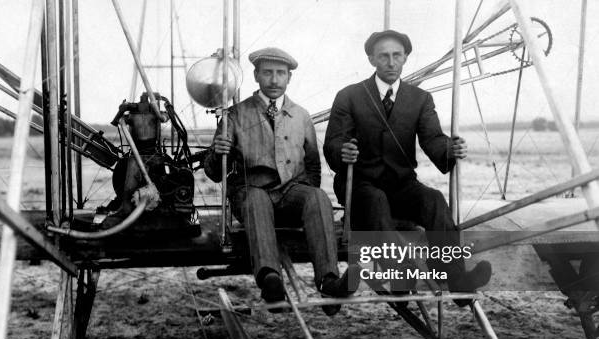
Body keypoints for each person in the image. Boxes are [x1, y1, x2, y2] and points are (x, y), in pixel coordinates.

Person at [323, 30, 491, 301]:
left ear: (405, 58)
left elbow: (433, 139)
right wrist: (343, 150)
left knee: (434, 199)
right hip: (360, 185)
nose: (391, 62)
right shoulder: (349, 96)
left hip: (401, 185)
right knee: (376, 200)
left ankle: (457, 279)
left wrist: (451, 149)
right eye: (384, 56)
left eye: (397, 56)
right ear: (371, 60)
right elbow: (332, 142)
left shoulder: (419, 99)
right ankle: (399, 270)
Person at [204, 47, 360, 315]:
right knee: (256, 199)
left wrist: (304, 200)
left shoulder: (301, 115)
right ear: (256, 75)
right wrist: (217, 153)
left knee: (317, 197)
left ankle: (329, 282)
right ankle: (270, 281)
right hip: (251, 192)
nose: (274, 80)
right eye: (267, 73)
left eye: (280, 74)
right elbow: (214, 173)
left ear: (289, 78)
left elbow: (312, 164)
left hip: (290, 194)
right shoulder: (235, 115)